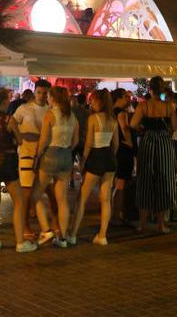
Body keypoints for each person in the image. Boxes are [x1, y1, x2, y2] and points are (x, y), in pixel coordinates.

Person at [0, 88, 37, 253]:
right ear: (5, 101)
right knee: (19, 201)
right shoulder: (9, 119)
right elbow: (20, 140)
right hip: (7, 161)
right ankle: (20, 242)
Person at [130, 76, 177, 233]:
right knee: (164, 179)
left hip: (148, 141)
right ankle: (161, 224)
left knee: (145, 179)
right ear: (163, 89)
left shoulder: (144, 106)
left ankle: (142, 224)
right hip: (164, 142)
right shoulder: (169, 106)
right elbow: (174, 126)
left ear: (150, 89)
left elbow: (133, 124)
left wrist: (142, 129)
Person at [70, 89, 119, 245]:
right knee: (105, 199)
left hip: (96, 158)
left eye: (93, 100)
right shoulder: (113, 119)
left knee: (82, 198)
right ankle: (102, 235)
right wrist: (110, 155)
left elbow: (89, 144)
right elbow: (116, 144)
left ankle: (73, 234)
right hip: (109, 158)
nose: (91, 103)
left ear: (100, 102)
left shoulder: (93, 119)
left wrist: (83, 162)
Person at [32, 86, 79, 248]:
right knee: (62, 199)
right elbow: (75, 141)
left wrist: (37, 155)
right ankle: (63, 237)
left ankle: (46, 229)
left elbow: (44, 139)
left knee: (35, 194)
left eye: (49, 96)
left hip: (50, 155)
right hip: (66, 156)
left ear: (54, 98)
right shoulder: (72, 116)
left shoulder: (50, 115)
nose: (47, 99)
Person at [11, 79, 50, 238]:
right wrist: (20, 137)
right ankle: (25, 226)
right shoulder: (24, 108)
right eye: (39, 92)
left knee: (45, 190)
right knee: (26, 191)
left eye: (45, 93)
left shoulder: (49, 110)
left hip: (44, 154)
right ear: (34, 91)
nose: (42, 96)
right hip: (27, 152)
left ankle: (49, 227)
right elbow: (11, 122)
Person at [111, 88, 135, 225]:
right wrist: (130, 142)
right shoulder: (122, 112)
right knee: (121, 184)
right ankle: (117, 215)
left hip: (114, 149)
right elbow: (125, 128)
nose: (129, 99)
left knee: (115, 183)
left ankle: (116, 213)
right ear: (119, 98)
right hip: (123, 149)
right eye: (126, 97)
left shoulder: (110, 111)